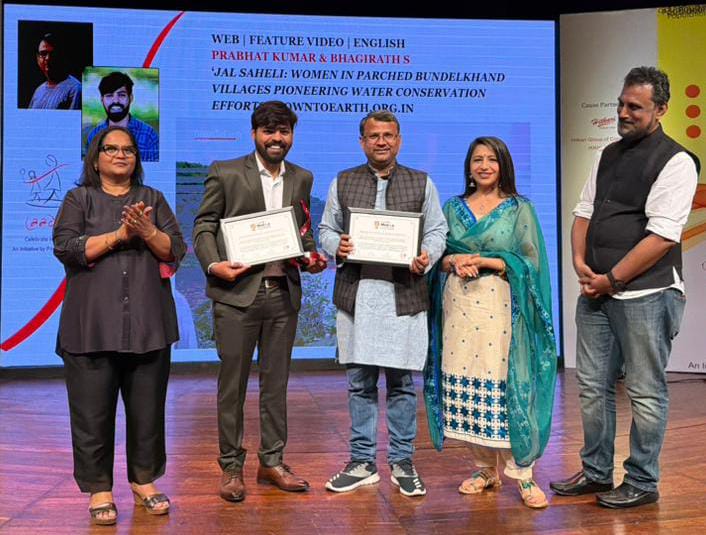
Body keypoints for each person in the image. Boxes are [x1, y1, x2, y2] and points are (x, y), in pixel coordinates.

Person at [550, 66, 699, 508]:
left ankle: (642, 481)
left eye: (635, 106)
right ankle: (597, 472)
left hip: (646, 296)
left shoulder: (676, 161)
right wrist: (580, 263)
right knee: (592, 388)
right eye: (620, 104)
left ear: (661, 110)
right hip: (596, 293)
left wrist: (611, 279)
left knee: (645, 392)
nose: (623, 113)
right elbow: (584, 212)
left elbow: (662, 237)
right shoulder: (608, 154)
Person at [192, 101, 326, 503]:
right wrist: (214, 264)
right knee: (231, 386)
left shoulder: (302, 177)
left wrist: (311, 256)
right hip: (237, 295)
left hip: (283, 293)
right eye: (269, 131)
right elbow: (204, 225)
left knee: (276, 385)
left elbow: (301, 232)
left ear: (292, 135)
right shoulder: (226, 171)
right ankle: (231, 467)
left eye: (284, 131)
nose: (276, 138)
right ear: (254, 134)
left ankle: (272, 461)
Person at [53, 126, 186, 525]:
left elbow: (174, 250)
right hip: (90, 327)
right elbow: (67, 248)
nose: (120, 155)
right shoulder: (79, 199)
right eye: (110, 149)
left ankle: (144, 481)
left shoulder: (153, 199)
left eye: (128, 149)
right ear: (95, 159)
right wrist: (119, 235)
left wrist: (147, 231)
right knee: (92, 415)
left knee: (148, 413)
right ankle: (99, 489)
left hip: (149, 325)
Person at [423, 137, 557, 508]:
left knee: (505, 385)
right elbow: (439, 256)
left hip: (502, 308)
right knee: (466, 382)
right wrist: (454, 262)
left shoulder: (519, 208)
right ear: (468, 166)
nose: (484, 166)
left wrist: (486, 261)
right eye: (477, 159)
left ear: (503, 166)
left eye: (492, 160)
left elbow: (530, 263)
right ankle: (484, 469)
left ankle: (523, 474)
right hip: (459, 308)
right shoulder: (453, 208)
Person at [320, 110, 447, 497]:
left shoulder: (422, 182)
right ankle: (362, 462)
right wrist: (336, 245)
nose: (381, 142)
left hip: (403, 297)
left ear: (399, 140)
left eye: (388, 135)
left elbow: (437, 230)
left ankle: (402, 462)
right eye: (374, 136)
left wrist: (427, 255)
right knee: (359, 384)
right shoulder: (343, 181)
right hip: (357, 298)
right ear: (362, 142)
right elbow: (326, 230)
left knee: (401, 385)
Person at [86, 72, 159, 161]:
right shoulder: (94, 135)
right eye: (109, 95)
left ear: (131, 98)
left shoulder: (148, 135)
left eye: (121, 95)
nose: (115, 101)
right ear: (102, 100)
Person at [28, 33, 81, 110]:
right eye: (43, 53)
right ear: (37, 58)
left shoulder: (75, 89)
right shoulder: (39, 91)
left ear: (62, 56)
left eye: (53, 53)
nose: (48, 58)